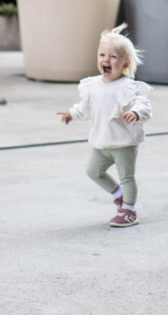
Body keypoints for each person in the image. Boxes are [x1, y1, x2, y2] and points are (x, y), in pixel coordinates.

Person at [58, 24, 153, 228]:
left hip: (124, 144)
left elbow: (143, 105)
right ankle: (119, 195)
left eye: (113, 57)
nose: (106, 60)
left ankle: (129, 211)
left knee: (127, 177)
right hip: (102, 142)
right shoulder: (93, 85)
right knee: (93, 171)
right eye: (102, 55)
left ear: (125, 64)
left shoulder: (128, 87)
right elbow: (85, 107)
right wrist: (71, 114)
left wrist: (135, 113)